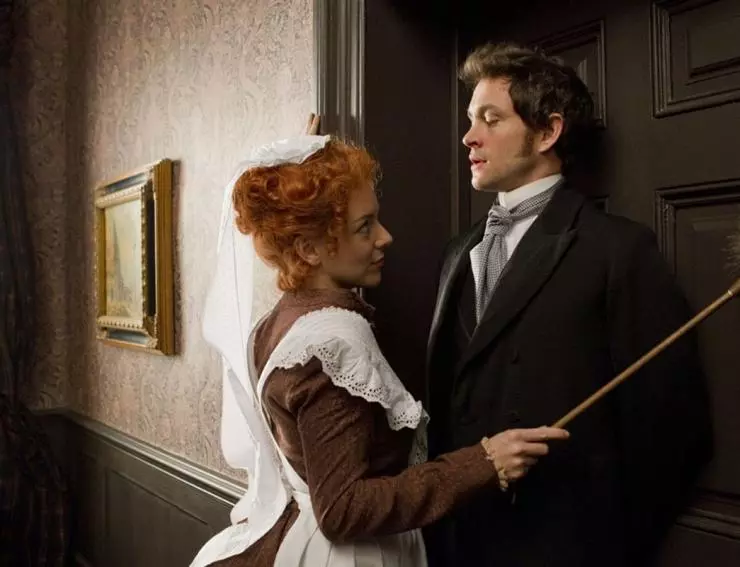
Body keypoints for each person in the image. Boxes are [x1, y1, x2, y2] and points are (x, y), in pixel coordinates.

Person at [191, 131, 570, 567]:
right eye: (364, 226)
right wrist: (484, 463)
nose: (385, 237)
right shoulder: (332, 341)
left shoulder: (275, 323)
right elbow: (344, 509)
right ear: (309, 249)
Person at [424, 42, 713, 567]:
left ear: (547, 132)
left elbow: (672, 425)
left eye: (491, 118)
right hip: (459, 539)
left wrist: (609, 546)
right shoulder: (457, 251)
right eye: (470, 119)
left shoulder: (617, 249)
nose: (469, 136)